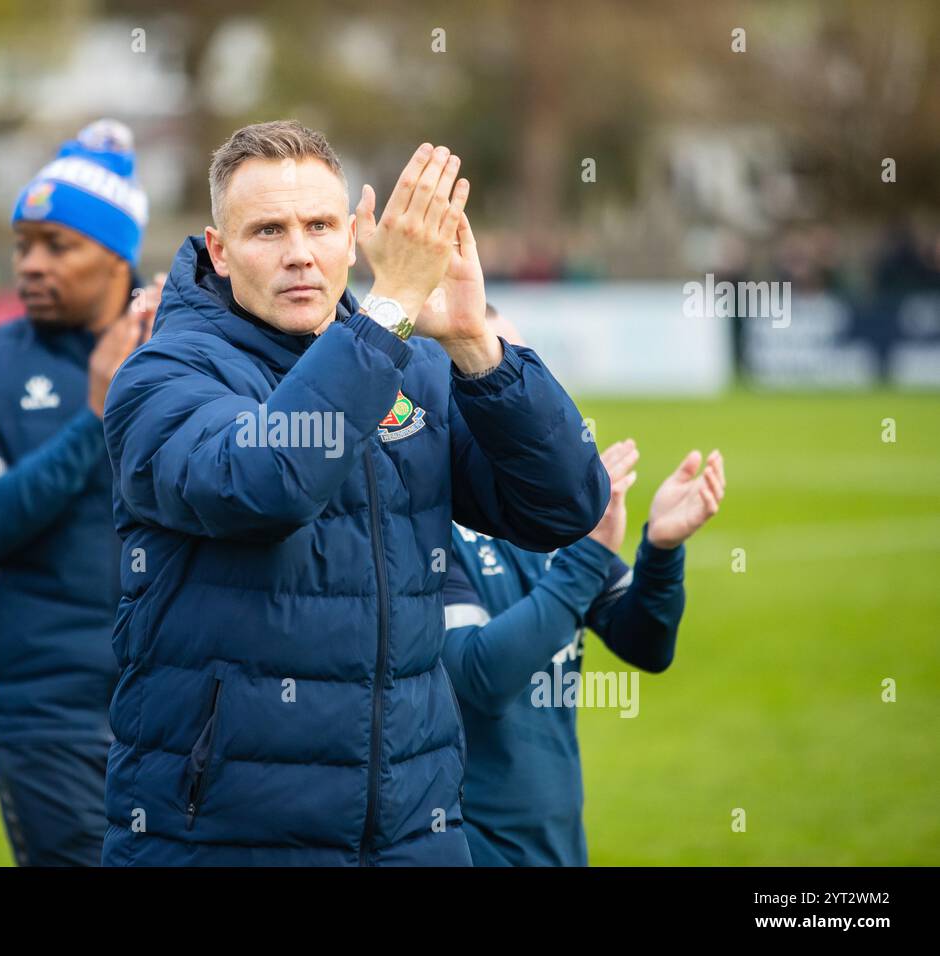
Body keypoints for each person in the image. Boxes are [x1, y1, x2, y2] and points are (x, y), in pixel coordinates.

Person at [99, 120, 609, 866]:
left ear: (352, 236)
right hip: (222, 837)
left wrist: (473, 343)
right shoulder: (162, 378)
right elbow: (269, 484)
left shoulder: (413, 367)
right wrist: (391, 306)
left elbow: (562, 505)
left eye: (319, 225)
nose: (300, 252)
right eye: (268, 229)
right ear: (218, 250)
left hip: (414, 832)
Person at [0, 119, 162, 866]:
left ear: (118, 257)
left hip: (177, 705)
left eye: (57, 246)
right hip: (45, 712)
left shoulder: (182, 357)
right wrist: (94, 416)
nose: (30, 265)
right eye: (22, 245)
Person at [442, 311, 727, 866]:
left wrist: (660, 553)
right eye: (488, 375)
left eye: (522, 373)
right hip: (466, 846)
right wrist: (589, 554)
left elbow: (646, 645)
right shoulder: (426, 528)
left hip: (558, 843)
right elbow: (480, 678)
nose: (516, 399)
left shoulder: (542, 526)